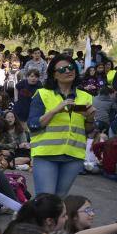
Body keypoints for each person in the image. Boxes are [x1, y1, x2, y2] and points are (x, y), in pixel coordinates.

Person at [28, 54, 95, 196]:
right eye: (63, 69)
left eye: (71, 67)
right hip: (46, 154)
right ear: (54, 75)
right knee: (46, 200)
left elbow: (88, 131)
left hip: (73, 156)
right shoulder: (43, 94)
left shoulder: (86, 97)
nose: (68, 71)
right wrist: (55, 110)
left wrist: (90, 118)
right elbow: (33, 125)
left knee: (59, 201)